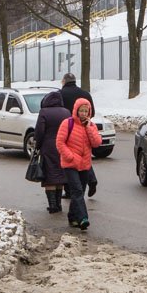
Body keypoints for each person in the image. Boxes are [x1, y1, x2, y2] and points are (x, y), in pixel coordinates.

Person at [56, 97, 103, 230]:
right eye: (81, 111)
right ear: (76, 111)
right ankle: (83, 218)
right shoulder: (67, 123)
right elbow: (60, 142)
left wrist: (88, 128)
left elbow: (97, 143)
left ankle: (72, 217)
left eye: (86, 111)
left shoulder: (91, 125)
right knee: (76, 190)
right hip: (70, 164)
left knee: (80, 192)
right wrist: (69, 156)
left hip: (84, 164)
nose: (83, 113)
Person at [58, 73, 99, 197]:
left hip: (68, 129)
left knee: (69, 161)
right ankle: (91, 180)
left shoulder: (60, 94)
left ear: (64, 81)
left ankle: (70, 190)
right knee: (84, 157)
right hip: (85, 128)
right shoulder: (85, 94)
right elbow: (92, 113)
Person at [33, 90, 71, 214]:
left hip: (48, 147)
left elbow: (39, 131)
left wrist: (37, 146)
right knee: (60, 175)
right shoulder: (66, 112)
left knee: (50, 177)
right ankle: (59, 204)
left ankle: (52, 205)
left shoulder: (44, 112)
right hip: (63, 147)